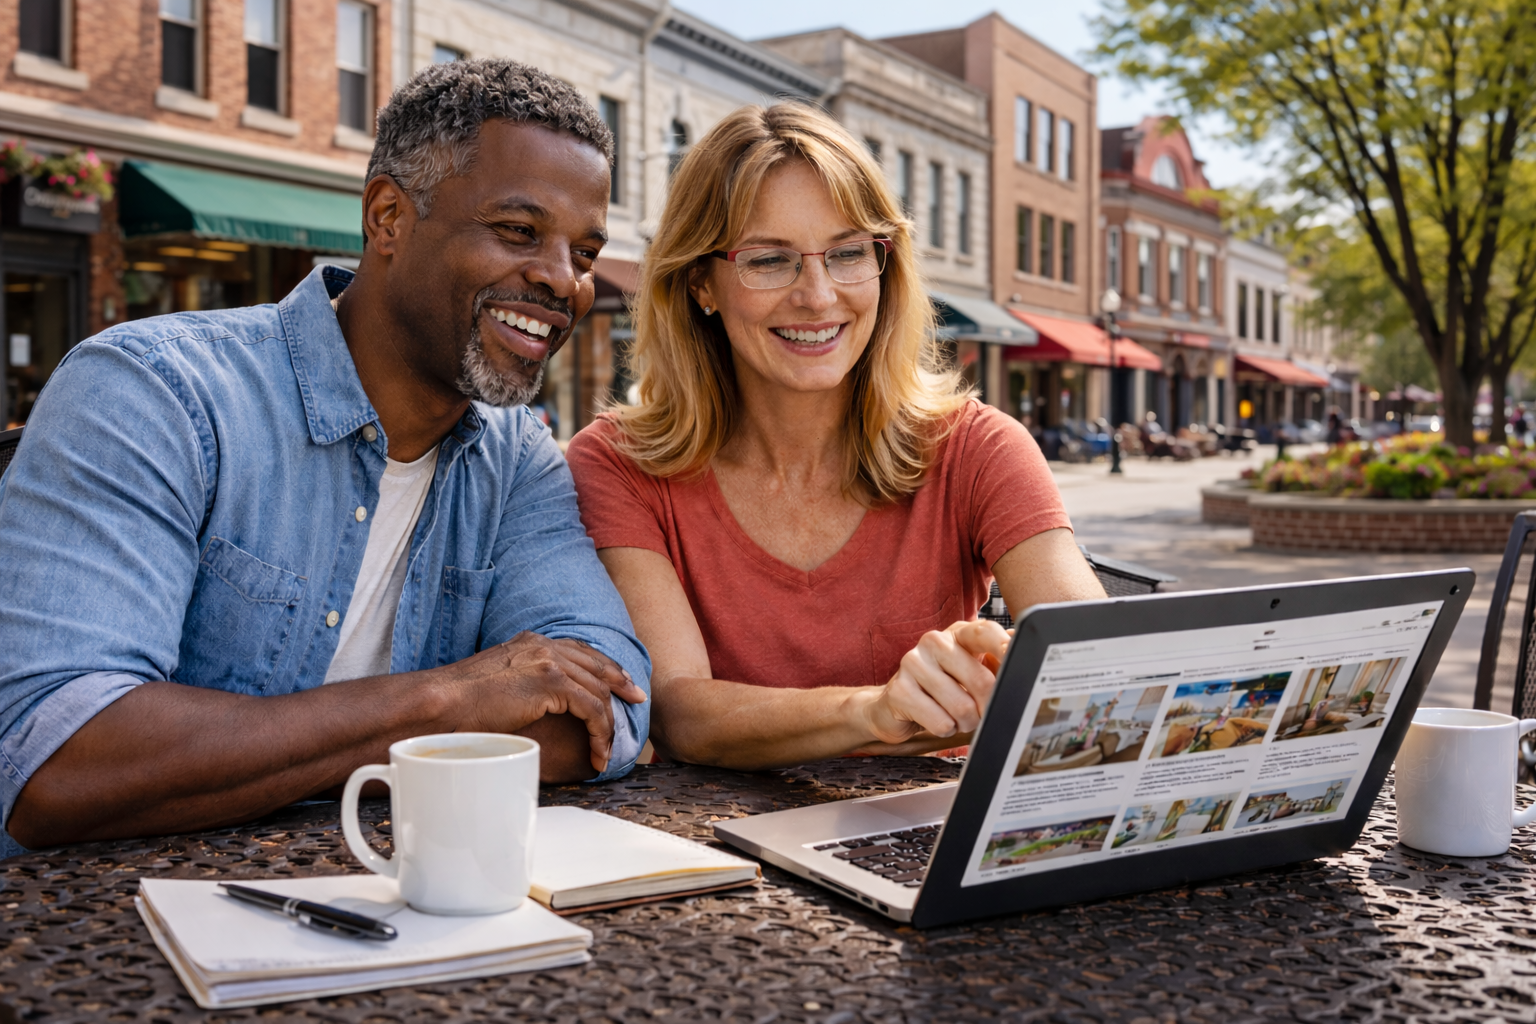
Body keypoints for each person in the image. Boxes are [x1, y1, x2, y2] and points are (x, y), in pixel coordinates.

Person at [0, 59, 649, 857]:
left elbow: (610, 714)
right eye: (518, 231)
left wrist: (256, 755)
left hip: (394, 912)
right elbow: (54, 764)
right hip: (98, 936)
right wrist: (450, 701)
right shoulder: (154, 393)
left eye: (585, 253)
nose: (563, 279)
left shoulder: (519, 460)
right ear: (387, 218)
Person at [566, 104, 1104, 771]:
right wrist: (873, 709)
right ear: (701, 282)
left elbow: (1095, 666)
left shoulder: (979, 447)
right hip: (716, 849)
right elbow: (679, 710)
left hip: (928, 838)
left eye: (849, 253)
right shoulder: (617, 463)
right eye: (769, 261)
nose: (818, 297)